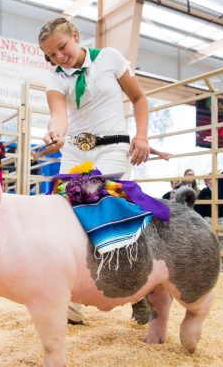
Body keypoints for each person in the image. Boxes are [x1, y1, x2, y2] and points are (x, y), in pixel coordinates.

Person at [38, 17, 150, 325]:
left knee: (93, 200)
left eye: (62, 48)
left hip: (114, 148)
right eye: (51, 55)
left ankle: (139, 292)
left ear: (75, 35)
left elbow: (139, 98)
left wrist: (141, 135)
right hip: (74, 151)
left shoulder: (111, 58)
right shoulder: (56, 79)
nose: (59, 58)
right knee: (62, 215)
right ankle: (72, 300)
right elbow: (59, 115)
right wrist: (54, 133)